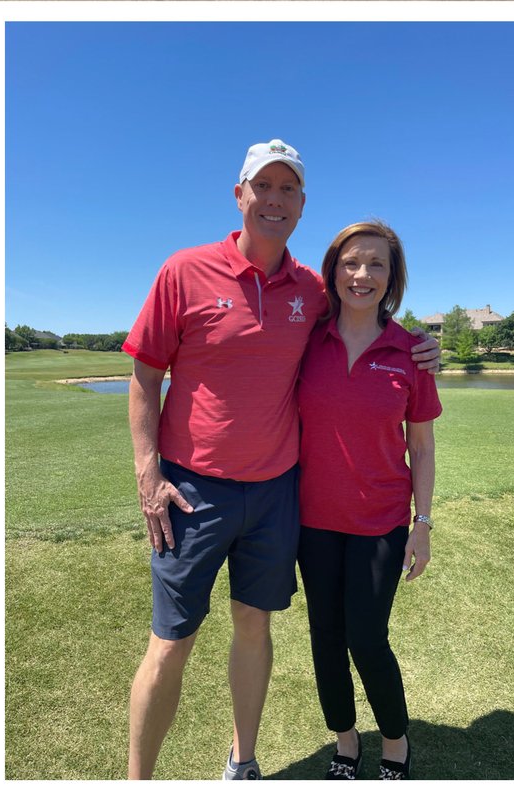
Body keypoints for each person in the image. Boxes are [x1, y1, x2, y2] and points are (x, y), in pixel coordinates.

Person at [122, 140, 440, 780]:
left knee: (253, 625)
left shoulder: (312, 292)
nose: (273, 199)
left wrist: (423, 346)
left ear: (300, 205)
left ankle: (243, 760)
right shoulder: (183, 271)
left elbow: (369, 312)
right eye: (262, 187)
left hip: (275, 495)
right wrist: (148, 472)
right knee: (171, 642)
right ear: (239, 196)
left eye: (287, 189)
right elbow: (143, 374)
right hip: (192, 492)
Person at [296, 221, 440, 780]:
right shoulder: (309, 340)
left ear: (392, 276)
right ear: (333, 270)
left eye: (376, 264)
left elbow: (422, 448)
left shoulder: (410, 353)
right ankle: (346, 740)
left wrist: (421, 525)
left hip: (380, 522)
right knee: (325, 637)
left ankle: (396, 740)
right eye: (351, 262)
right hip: (313, 521)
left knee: (366, 637)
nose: (362, 275)